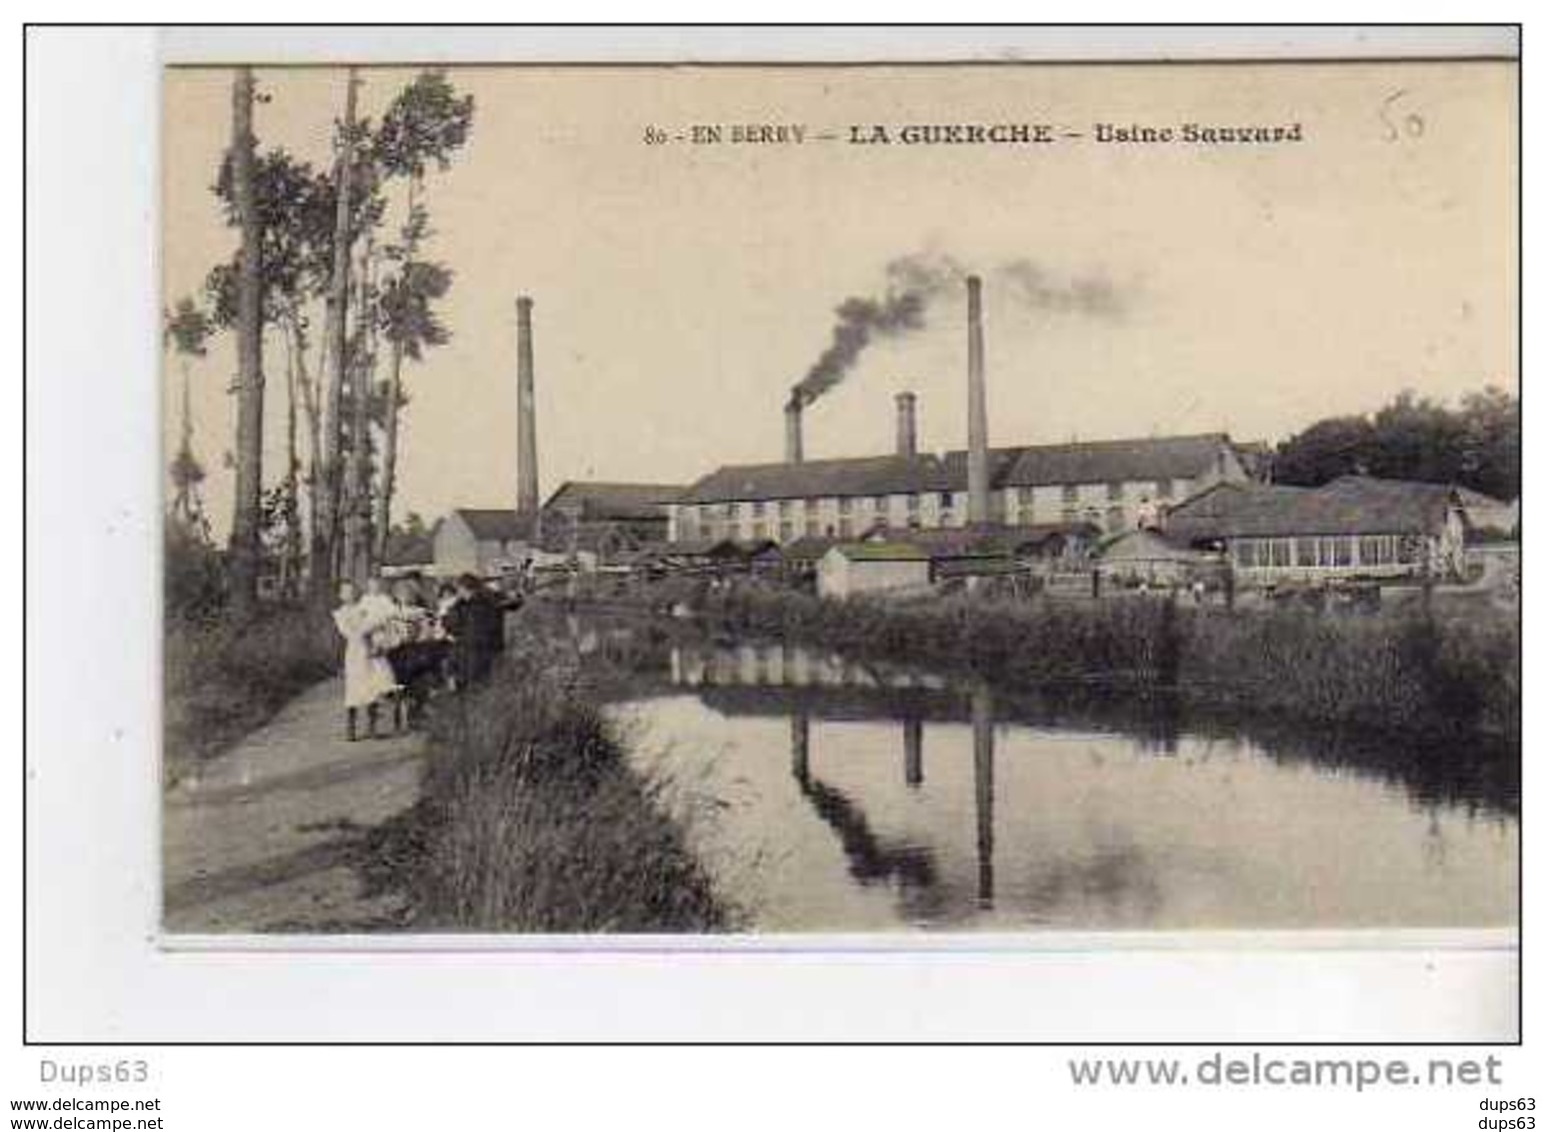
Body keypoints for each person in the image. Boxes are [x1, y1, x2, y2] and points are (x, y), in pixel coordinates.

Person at [332, 579, 398, 740]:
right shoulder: (340, 613)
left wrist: (376, 632)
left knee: (373, 685)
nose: (350, 594)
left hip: (371, 649)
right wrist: (369, 625)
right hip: (355, 652)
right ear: (340, 595)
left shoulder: (365, 606)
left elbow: (380, 621)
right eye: (346, 591)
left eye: (352, 590)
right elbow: (349, 632)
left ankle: (372, 726)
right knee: (354, 687)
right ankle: (351, 727)